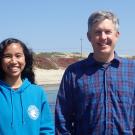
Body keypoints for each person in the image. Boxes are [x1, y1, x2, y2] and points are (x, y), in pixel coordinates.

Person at [55, 10, 135, 134]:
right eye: (97, 32)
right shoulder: (74, 73)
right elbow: (62, 120)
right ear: (89, 37)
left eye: (108, 32)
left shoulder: (132, 70)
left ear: (117, 35)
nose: (103, 37)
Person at [0, 38, 54, 135]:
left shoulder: (38, 93)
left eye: (18, 56)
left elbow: (47, 130)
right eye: (7, 56)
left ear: (25, 59)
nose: (13, 61)